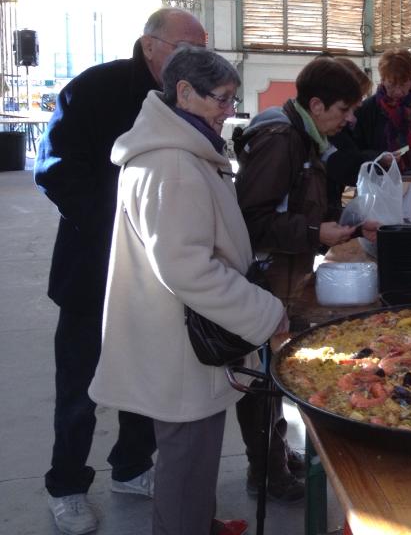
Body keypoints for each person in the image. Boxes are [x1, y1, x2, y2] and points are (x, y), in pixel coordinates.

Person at [88, 46, 285, 535]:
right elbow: (186, 269)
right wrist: (264, 311)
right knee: (186, 457)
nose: (229, 111)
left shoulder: (184, 150)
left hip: (185, 337)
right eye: (221, 99)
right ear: (183, 93)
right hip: (180, 345)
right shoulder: (172, 164)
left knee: (194, 457)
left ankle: (195, 522)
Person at [35, 7, 206, 535]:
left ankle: (131, 467)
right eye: (184, 46)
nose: (193, 58)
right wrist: (124, 223)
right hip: (94, 265)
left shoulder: (189, 95)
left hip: (161, 270)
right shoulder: (95, 90)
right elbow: (56, 170)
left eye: (199, 47)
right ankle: (67, 486)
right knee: (81, 385)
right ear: (150, 45)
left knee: (149, 375)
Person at [232, 57, 377, 501]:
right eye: (344, 110)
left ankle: (274, 453)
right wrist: (317, 233)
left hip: (285, 272)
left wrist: (343, 222)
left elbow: (297, 203)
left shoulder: (304, 133)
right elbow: (251, 221)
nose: (350, 119)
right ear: (316, 104)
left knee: (272, 373)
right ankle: (267, 470)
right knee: (261, 377)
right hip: (263, 276)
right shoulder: (281, 138)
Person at [351, 48, 411, 181]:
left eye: (403, 84)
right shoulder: (366, 109)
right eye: (392, 85)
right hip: (377, 182)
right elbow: (356, 152)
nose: (398, 91)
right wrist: (379, 158)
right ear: (382, 80)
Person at [324, 57, 381, 212]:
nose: (360, 104)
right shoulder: (330, 129)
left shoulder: (340, 125)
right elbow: (349, 167)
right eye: (357, 98)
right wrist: (379, 160)